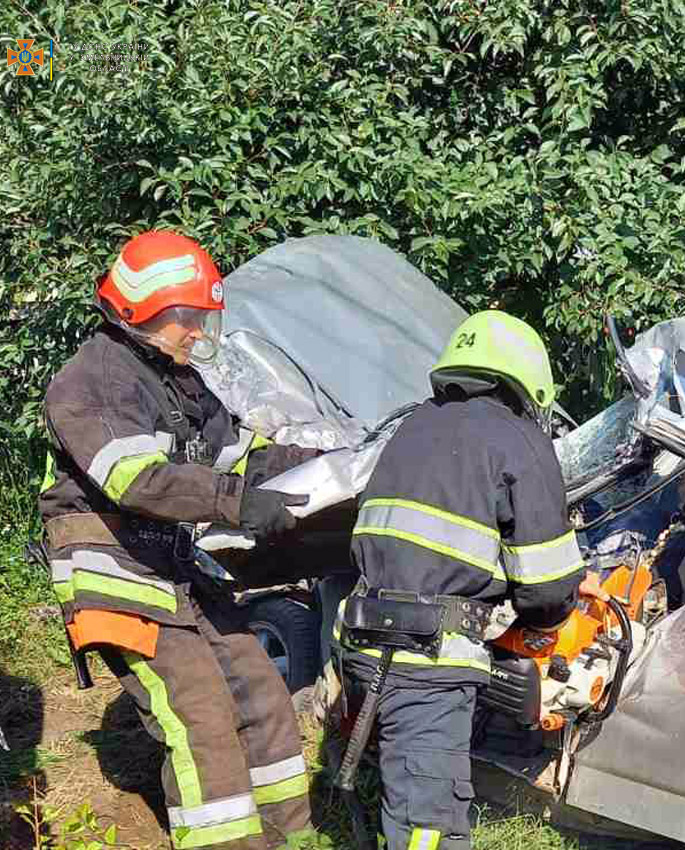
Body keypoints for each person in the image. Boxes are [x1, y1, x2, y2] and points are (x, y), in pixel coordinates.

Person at [39, 231, 317, 850]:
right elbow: (138, 481)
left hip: (176, 570)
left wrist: (331, 464)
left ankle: (290, 841)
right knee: (203, 721)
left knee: (264, 697)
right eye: (187, 317)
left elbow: (243, 455)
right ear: (141, 311)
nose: (197, 332)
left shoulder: (180, 382)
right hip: (117, 573)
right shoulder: (94, 379)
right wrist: (237, 503)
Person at [336, 310, 606, 850]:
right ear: (530, 382)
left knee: (400, 792)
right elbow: (548, 587)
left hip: (363, 644)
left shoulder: (413, 426)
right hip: (426, 662)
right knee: (429, 825)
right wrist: (550, 619)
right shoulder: (517, 439)